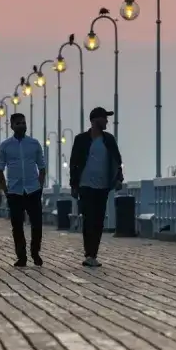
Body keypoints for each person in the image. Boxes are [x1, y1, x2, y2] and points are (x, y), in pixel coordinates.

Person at [68, 107, 123, 268]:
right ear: (94, 120)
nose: (106, 121)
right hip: (85, 185)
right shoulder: (81, 139)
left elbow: (117, 161)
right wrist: (74, 185)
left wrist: (119, 178)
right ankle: (89, 254)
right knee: (88, 219)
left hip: (103, 186)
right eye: (104, 118)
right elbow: (74, 163)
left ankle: (94, 254)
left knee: (98, 221)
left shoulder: (109, 140)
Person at [0, 112, 47, 267]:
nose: (22, 126)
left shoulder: (34, 144)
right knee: (17, 225)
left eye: (24, 123)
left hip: (33, 189)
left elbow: (42, 166)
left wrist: (40, 185)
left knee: (37, 223)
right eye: (18, 123)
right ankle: (21, 256)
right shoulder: (5, 146)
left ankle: (35, 252)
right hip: (14, 191)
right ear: (12, 126)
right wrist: (5, 189)